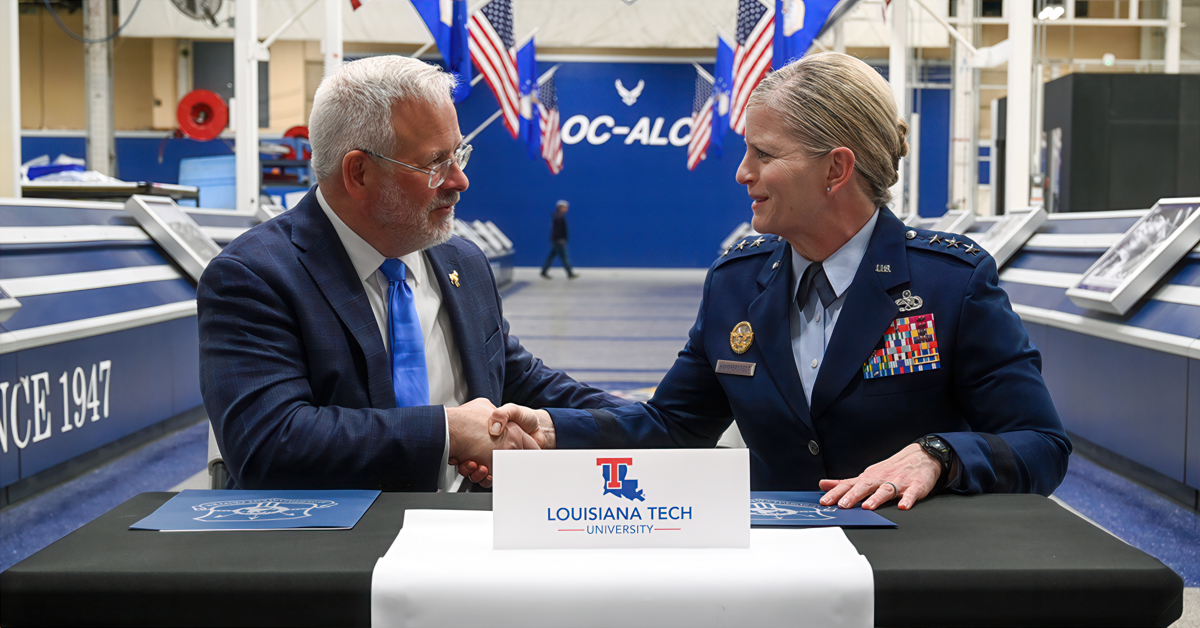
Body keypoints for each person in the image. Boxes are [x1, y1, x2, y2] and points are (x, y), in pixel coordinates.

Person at [476, 52, 1071, 511]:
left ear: (836, 169)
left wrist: (938, 455)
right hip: (779, 568)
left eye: (764, 153)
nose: (742, 173)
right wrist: (552, 428)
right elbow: (674, 426)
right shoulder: (736, 284)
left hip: (913, 569)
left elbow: (1041, 443)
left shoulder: (951, 285)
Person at [197, 56, 626, 492]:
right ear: (359, 173)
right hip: (341, 544)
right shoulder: (254, 278)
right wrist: (450, 431)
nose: (459, 181)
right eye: (436, 163)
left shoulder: (461, 261)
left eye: (459, 154)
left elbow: (518, 379)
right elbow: (269, 445)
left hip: (466, 529)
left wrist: (647, 422)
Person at [540, 200, 577, 279]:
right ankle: (570, 273)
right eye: (565, 207)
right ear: (560, 208)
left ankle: (544, 271)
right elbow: (558, 230)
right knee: (564, 257)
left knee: (552, 256)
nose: (566, 209)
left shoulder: (557, 216)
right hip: (559, 241)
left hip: (556, 240)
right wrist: (560, 239)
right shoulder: (559, 217)